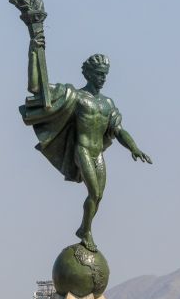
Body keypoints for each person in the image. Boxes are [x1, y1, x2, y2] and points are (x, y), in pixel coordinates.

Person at [21, 46, 152, 252]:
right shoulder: (76, 97)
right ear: (89, 74)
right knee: (93, 192)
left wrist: (134, 148)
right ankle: (87, 232)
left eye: (105, 75)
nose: (103, 78)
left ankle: (84, 228)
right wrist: (35, 49)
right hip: (81, 150)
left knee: (98, 196)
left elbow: (118, 130)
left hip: (97, 153)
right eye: (99, 74)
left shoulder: (108, 103)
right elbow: (38, 87)